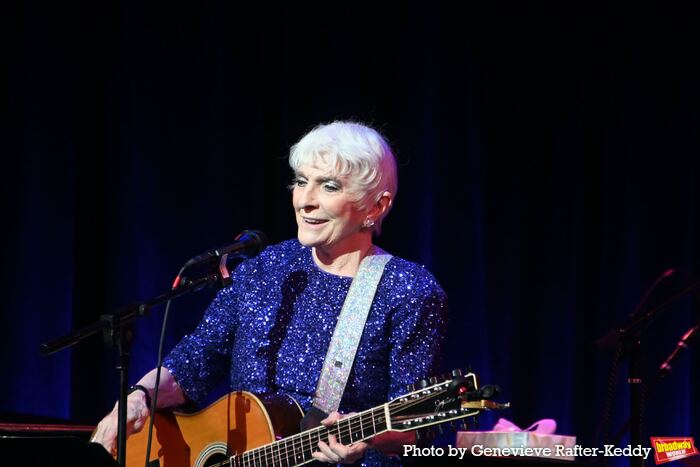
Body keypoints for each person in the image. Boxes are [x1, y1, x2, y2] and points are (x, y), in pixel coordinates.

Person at [92, 121, 448, 465]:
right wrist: (139, 397)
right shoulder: (267, 267)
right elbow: (196, 359)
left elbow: (415, 428)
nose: (305, 200)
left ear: (377, 206)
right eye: (301, 181)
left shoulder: (407, 289)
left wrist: (367, 440)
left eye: (329, 186)